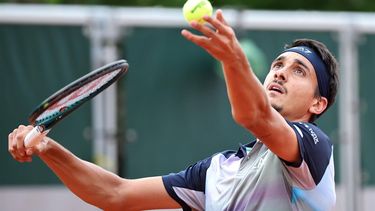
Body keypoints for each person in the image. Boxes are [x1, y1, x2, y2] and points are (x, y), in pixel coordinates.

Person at [8, 9, 338, 211]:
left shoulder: (314, 148)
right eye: (278, 64)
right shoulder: (217, 171)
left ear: (317, 104)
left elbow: (255, 116)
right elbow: (115, 194)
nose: (280, 71)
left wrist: (233, 59)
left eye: (299, 71)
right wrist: (47, 148)